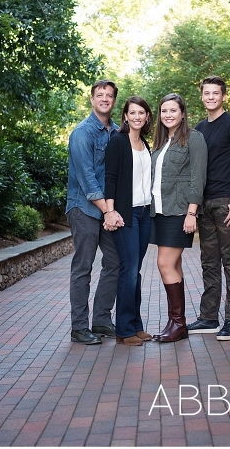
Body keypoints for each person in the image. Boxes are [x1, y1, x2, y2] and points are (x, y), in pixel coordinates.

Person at [186, 76, 230, 341]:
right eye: (206, 93)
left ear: (223, 96)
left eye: (215, 93)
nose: (211, 97)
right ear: (202, 97)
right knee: (209, 261)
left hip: (228, 203)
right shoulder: (200, 129)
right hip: (204, 204)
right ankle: (209, 317)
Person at [66, 80, 121, 345]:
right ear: (92, 99)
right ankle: (79, 327)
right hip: (84, 209)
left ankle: (101, 319)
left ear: (113, 101)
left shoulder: (117, 132)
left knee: (115, 262)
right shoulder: (82, 133)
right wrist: (107, 210)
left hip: (108, 211)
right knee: (83, 267)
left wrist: (113, 210)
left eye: (109, 95)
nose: (104, 99)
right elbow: (87, 178)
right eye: (100, 95)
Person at [150, 93, 207, 342]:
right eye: (164, 111)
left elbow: (198, 178)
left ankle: (179, 323)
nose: (168, 115)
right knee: (173, 266)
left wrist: (191, 212)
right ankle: (175, 323)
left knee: (164, 263)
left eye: (173, 110)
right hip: (159, 211)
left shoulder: (194, 139)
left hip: (179, 211)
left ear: (182, 113)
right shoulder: (161, 143)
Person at [103, 96, 155, 346]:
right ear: (125, 116)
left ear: (147, 117)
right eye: (132, 112)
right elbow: (110, 179)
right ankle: (124, 330)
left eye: (141, 113)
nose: (136, 116)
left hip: (144, 213)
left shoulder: (144, 143)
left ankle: (135, 324)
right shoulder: (118, 141)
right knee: (129, 269)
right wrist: (110, 212)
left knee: (135, 271)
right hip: (125, 214)